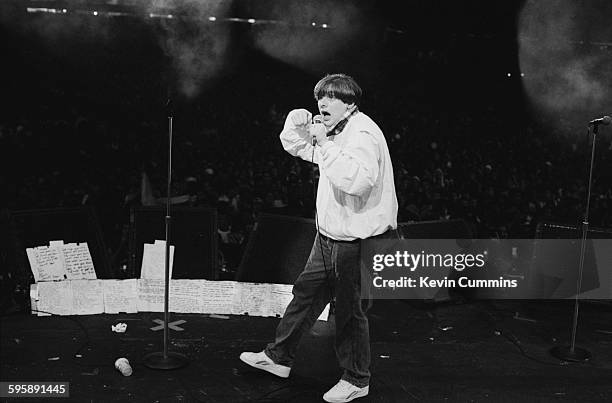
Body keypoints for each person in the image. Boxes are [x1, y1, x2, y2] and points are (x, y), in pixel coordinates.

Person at [240, 73, 398, 403]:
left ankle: (357, 378)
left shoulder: (363, 134)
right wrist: (295, 126)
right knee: (306, 295)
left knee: (349, 311)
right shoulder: (336, 129)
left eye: (331, 97)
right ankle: (278, 358)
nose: (322, 103)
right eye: (319, 97)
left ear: (350, 104)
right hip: (328, 237)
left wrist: (324, 143)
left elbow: (356, 181)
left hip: (355, 242)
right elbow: (302, 149)